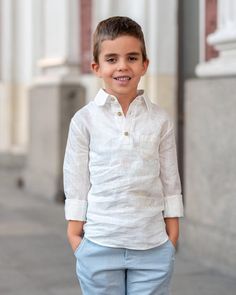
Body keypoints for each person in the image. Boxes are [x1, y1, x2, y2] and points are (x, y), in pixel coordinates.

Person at [63, 16, 184, 295]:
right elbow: (76, 181)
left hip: (152, 247)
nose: (122, 66)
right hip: (99, 244)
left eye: (132, 57)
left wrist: (172, 235)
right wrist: (75, 236)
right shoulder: (84, 121)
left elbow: (170, 179)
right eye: (112, 59)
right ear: (97, 67)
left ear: (144, 64)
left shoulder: (160, 120)